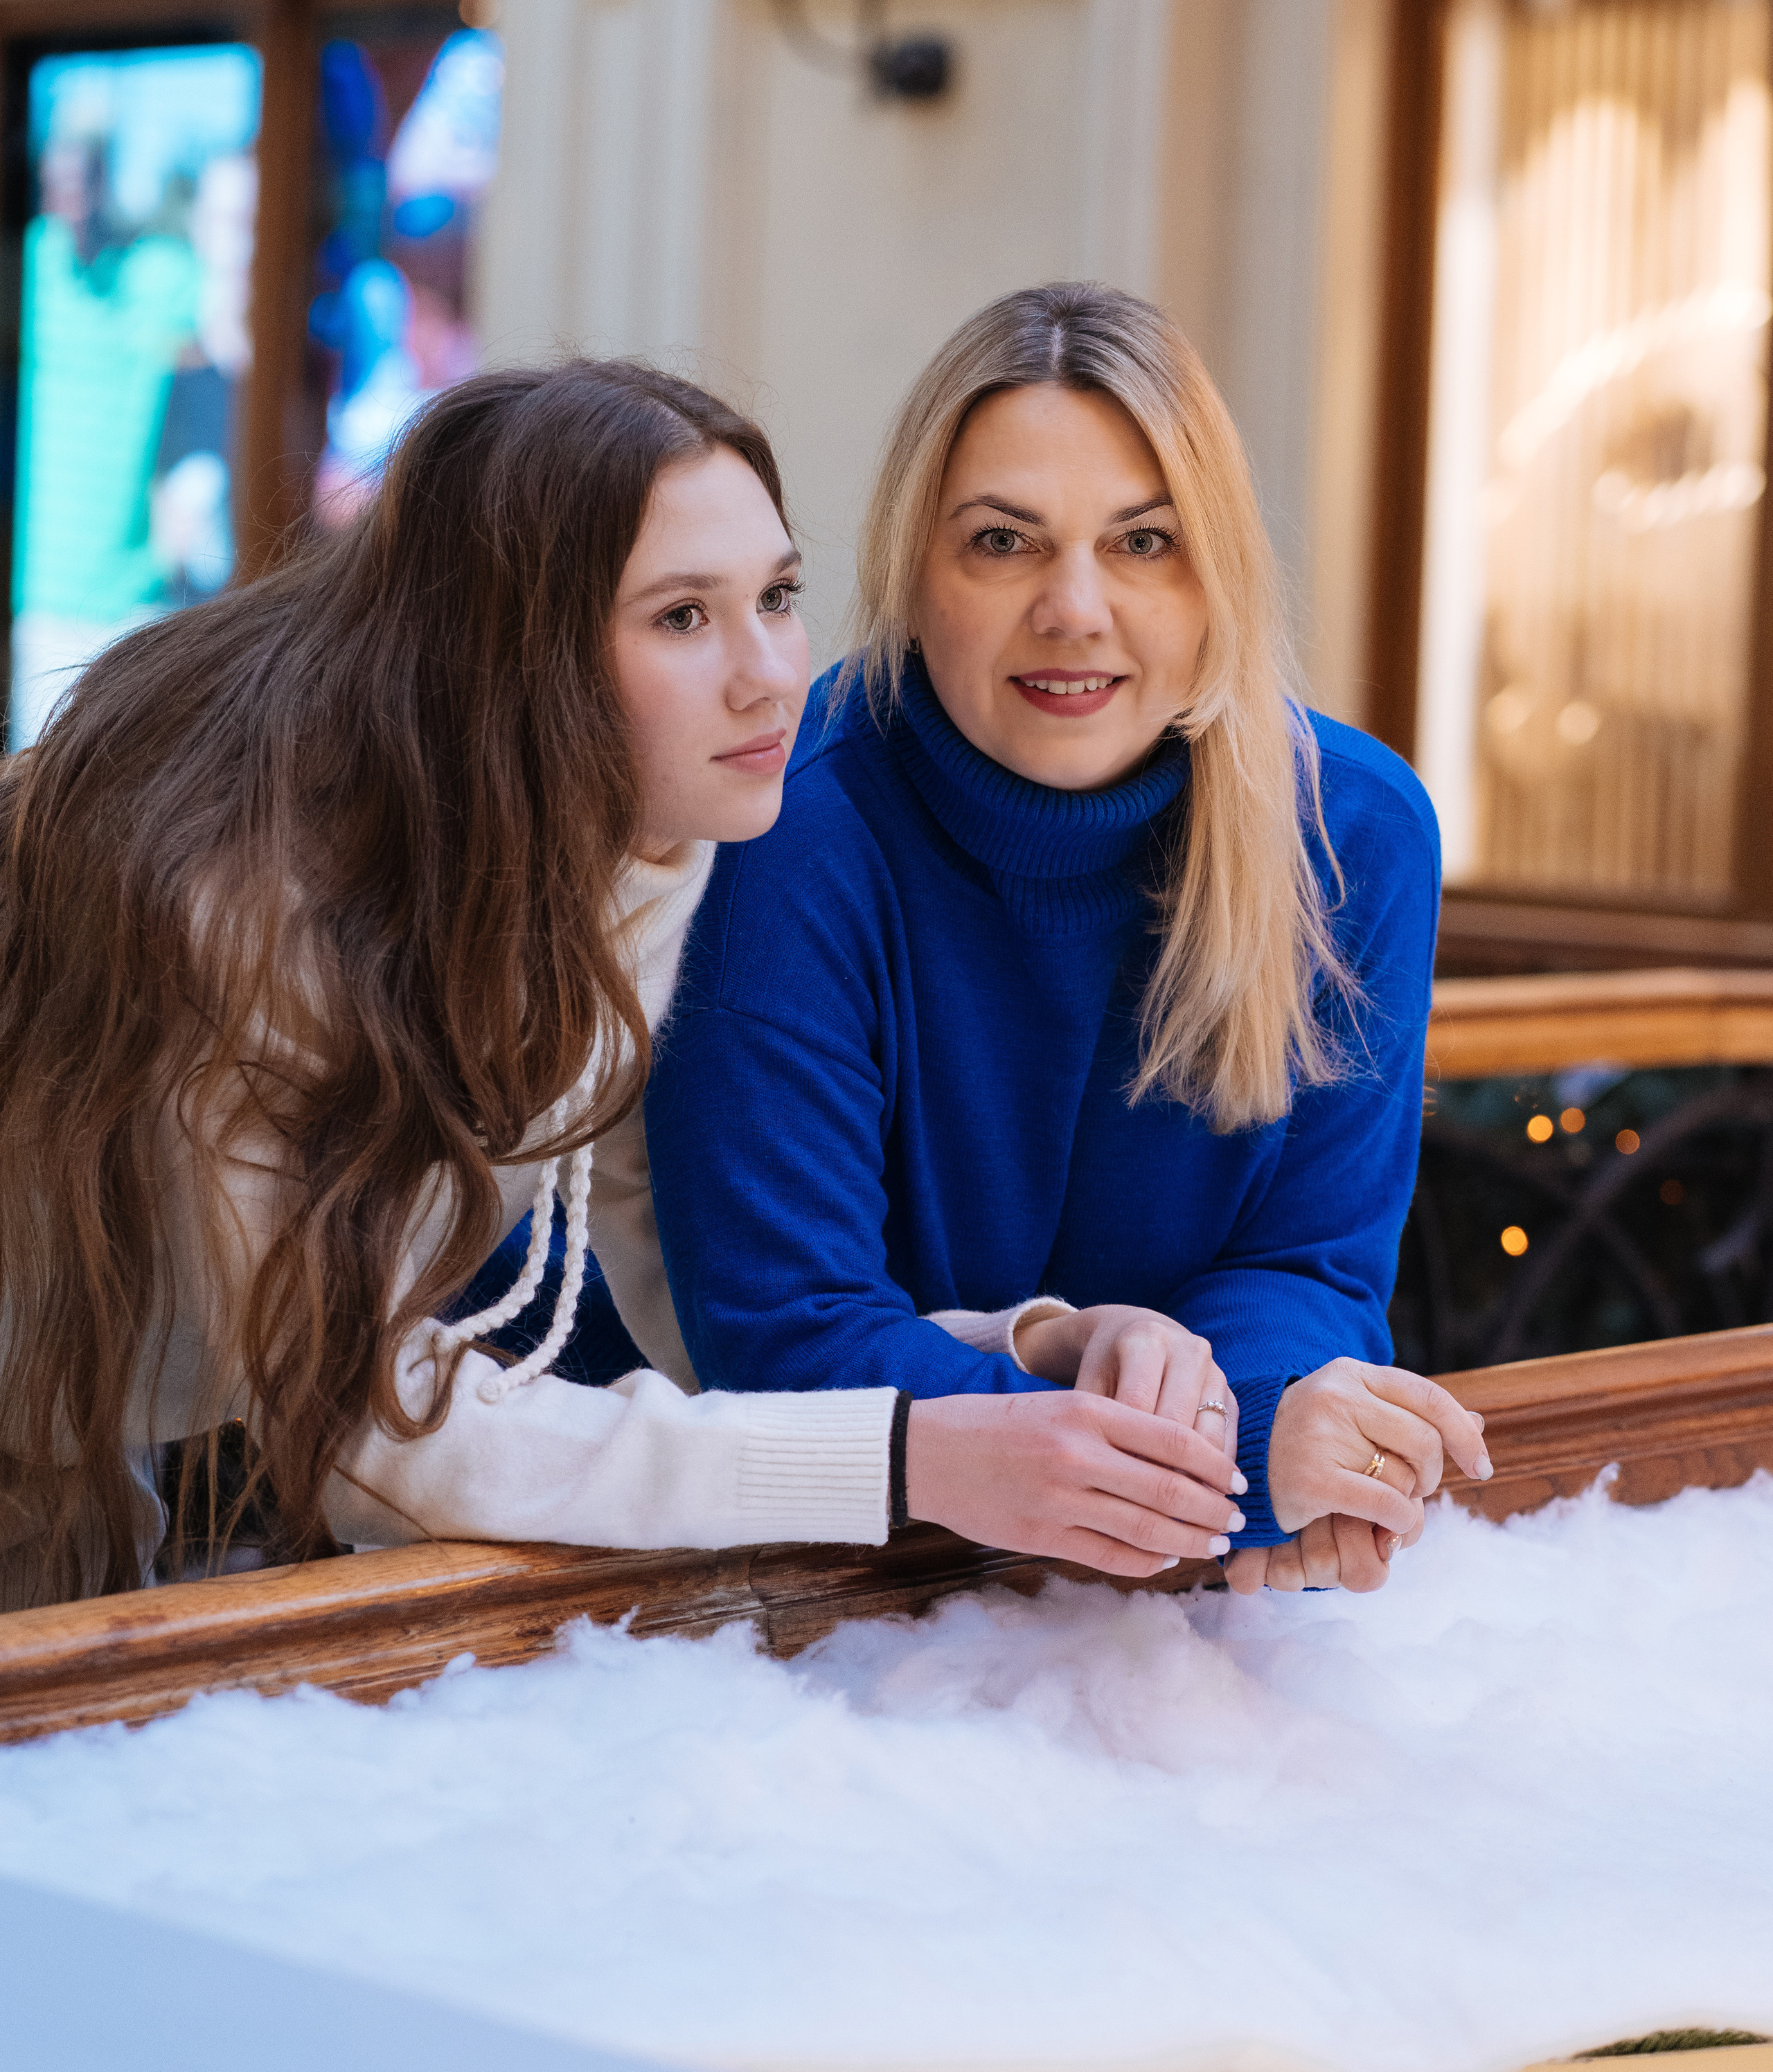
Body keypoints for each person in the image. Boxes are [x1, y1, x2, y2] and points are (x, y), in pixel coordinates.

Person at [0, 357, 1245, 1612]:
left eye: (777, 596)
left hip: (94, 1435)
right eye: (682, 617)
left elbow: (695, 1292)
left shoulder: (654, 837)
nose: (771, 675)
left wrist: (1032, 1353)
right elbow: (365, 1430)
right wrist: (910, 1456)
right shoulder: (254, 898)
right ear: (512, 652)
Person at [643, 285, 1492, 1593]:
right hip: (827, 1587)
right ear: (914, 573)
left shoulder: (1355, 834)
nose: (1076, 610)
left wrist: (1283, 1433)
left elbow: (1307, 1265)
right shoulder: (785, 829)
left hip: (1164, 1601)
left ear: (1217, 577)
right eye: (1003, 542)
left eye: (1145, 542)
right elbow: (787, 1345)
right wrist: (1240, 1463)